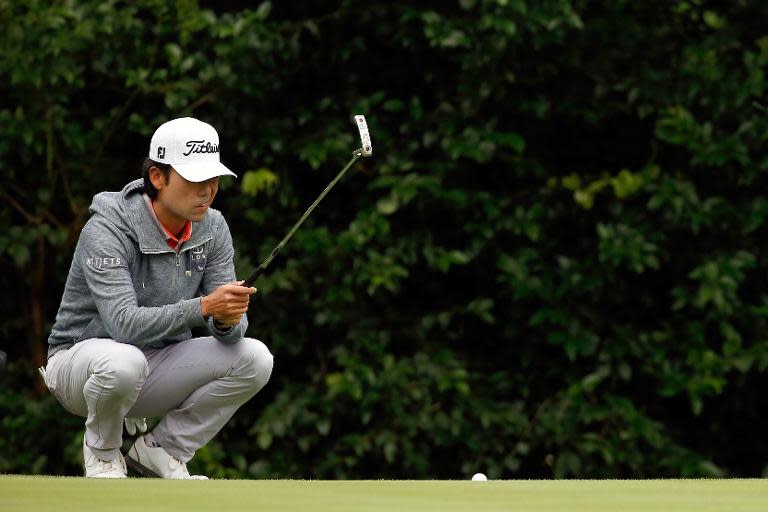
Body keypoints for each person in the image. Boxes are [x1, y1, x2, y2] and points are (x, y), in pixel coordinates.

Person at [39, 117, 274, 479]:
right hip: (78, 366)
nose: (207, 190)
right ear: (157, 177)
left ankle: (161, 452)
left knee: (255, 358)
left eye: (213, 179)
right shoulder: (107, 227)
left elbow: (233, 331)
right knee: (122, 361)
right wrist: (205, 307)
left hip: (153, 367)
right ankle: (103, 454)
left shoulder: (213, 227)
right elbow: (123, 324)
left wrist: (225, 319)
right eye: (195, 180)